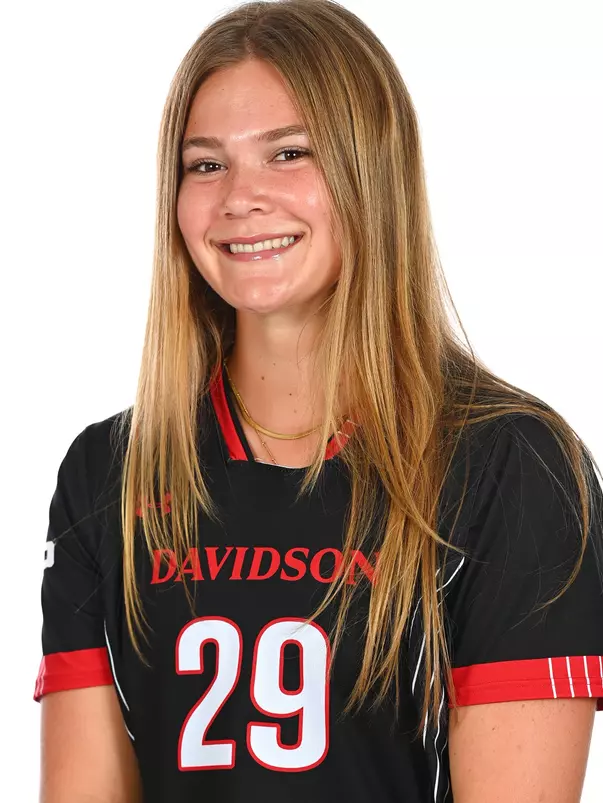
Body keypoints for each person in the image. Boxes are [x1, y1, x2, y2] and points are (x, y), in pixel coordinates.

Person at [34, 1, 603, 801]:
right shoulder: (108, 471)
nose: (240, 196)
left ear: (371, 172)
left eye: (288, 153)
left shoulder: (512, 466)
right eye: (205, 164)